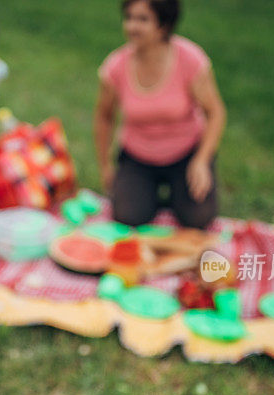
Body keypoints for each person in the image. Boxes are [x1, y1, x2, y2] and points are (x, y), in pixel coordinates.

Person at [94, 0, 226, 229]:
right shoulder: (115, 66)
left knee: (198, 218)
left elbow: (215, 112)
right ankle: (149, 192)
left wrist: (202, 161)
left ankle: (178, 194)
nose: (132, 26)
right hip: (137, 155)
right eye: (129, 18)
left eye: (143, 19)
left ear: (164, 25)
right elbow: (104, 117)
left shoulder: (190, 60)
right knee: (128, 216)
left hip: (185, 153)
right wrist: (106, 167)